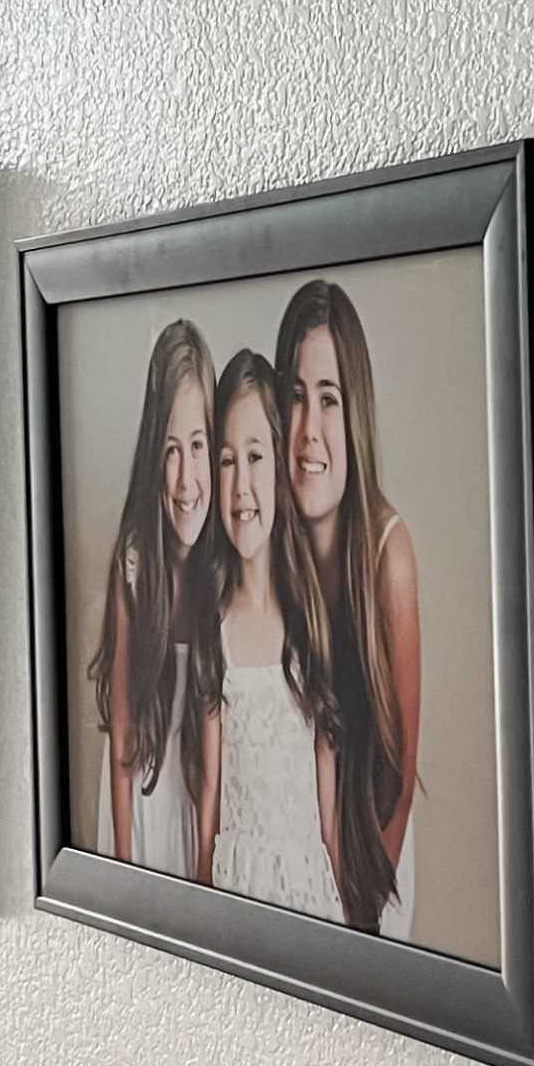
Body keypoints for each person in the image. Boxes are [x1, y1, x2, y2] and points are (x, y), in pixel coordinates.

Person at [273, 278, 422, 937]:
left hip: (373, 870)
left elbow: (402, 765)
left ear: (353, 411)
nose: (309, 431)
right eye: (296, 398)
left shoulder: (389, 553)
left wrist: (357, 927)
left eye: (327, 400)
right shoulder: (264, 542)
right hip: (294, 865)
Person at [199, 348, 338, 919]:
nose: (240, 486)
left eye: (255, 456)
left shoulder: (311, 623)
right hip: (238, 894)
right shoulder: (215, 631)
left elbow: (328, 820)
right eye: (227, 461)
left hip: (308, 895)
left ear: (280, 468)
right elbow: (209, 800)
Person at [87, 319, 218, 876]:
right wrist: (123, 861)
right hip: (139, 806)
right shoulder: (135, 564)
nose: (186, 478)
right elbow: (122, 737)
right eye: (171, 450)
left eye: (198, 446)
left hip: (202, 811)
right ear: (152, 457)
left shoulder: (229, 566)